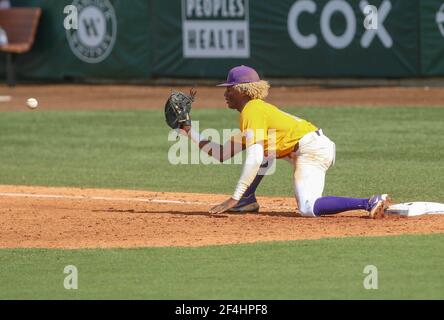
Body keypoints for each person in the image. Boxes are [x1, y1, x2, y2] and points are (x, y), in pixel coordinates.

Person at [180, 65, 391, 218]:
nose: (225, 93)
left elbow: (253, 157)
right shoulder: (255, 112)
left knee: (308, 208)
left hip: (312, 150)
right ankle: (247, 200)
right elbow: (221, 153)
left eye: (229, 88)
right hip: (310, 146)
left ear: (243, 90)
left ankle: (369, 202)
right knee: (265, 151)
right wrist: (188, 129)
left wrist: (234, 196)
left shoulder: (252, 110)